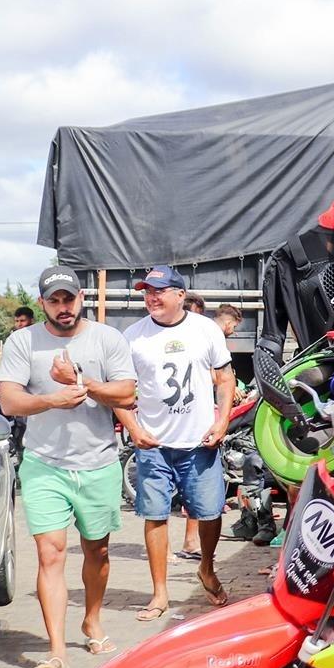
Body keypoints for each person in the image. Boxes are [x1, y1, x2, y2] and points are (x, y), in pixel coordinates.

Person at [0, 266, 137, 668]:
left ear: (81, 299)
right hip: (44, 465)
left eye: (68, 299)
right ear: (42, 303)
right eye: (54, 300)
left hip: (98, 463)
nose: (62, 307)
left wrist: (80, 381)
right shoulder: (23, 342)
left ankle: (92, 620)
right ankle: (56, 651)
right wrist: (53, 399)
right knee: (51, 553)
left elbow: (127, 392)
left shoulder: (107, 339)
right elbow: (10, 402)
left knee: (98, 552)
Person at [120, 265, 234, 620]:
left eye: (159, 291)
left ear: (180, 295)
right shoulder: (133, 336)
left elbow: (225, 379)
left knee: (210, 513)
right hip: (153, 444)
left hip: (199, 442)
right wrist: (133, 428)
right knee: (155, 516)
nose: (151, 298)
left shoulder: (205, 330)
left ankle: (206, 568)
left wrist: (222, 420)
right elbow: (118, 391)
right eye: (147, 292)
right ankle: (159, 593)